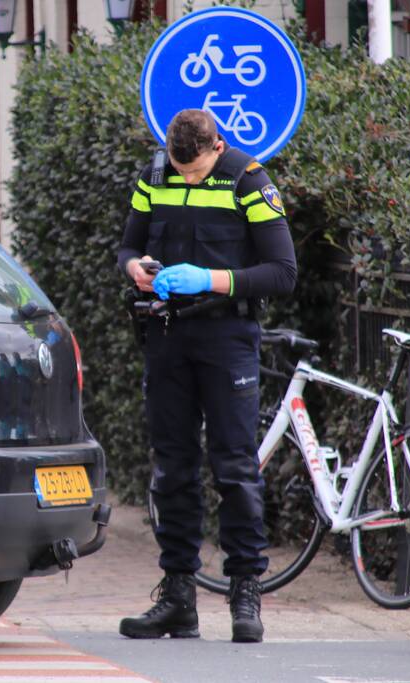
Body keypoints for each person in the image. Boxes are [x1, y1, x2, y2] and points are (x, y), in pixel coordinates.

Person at [116, 109, 297, 643]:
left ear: (217, 146)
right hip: (167, 336)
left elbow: (282, 272)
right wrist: (136, 270)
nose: (186, 177)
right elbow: (127, 246)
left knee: (235, 467)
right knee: (172, 467)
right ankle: (177, 596)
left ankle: (245, 591)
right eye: (179, 169)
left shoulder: (248, 179)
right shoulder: (155, 176)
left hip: (227, 338)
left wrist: (211, 279)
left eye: (194, 171)